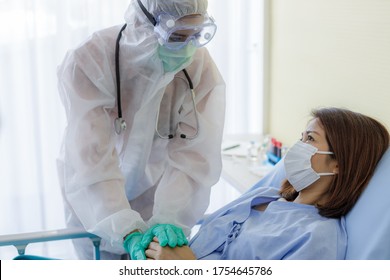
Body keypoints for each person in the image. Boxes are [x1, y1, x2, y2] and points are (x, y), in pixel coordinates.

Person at [56, 0, 225, 260]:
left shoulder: (198, 66)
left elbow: (195, 156)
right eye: (177, 36)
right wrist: (125, 228)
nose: (187, 49)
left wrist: (171, 218)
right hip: (95, 200)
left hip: (157, 196)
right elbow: (91, 157)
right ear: (145, 23)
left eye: (196, 35)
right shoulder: (90, 61)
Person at [143, 107, 390, 260]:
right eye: (301, 137)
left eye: (311, 139)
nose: (297, 147)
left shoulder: (316, 239)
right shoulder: (266, 195)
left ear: (339, 164)